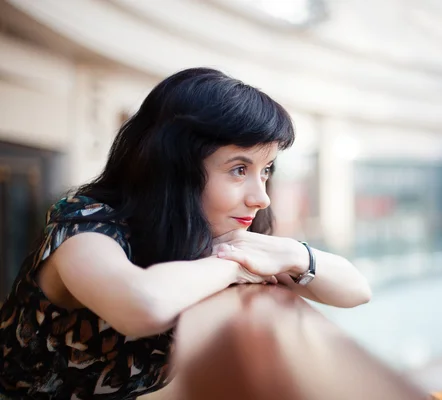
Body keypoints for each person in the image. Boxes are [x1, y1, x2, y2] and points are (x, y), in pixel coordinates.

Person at [0, 68, 371, 399]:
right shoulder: (84, 223)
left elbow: (356, 291)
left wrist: (295, 254)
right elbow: (141, 306)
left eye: (266, 169)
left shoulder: (219, 226)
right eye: (239, 169)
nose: (260, 197)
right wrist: (232, 265)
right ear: (176, 167)